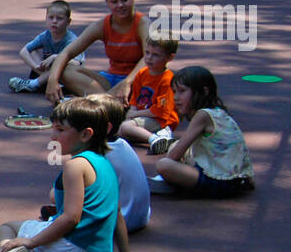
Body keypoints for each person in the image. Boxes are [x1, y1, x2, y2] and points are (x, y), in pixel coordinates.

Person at [0, 98, 158, 252]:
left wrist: (31, 241)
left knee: (6, 228)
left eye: (60, 130)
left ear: (86, 134)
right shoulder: (106, 163)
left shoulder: (75, 165)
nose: (53, 137)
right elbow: (117, 213)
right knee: (42, 226)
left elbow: (71, 218)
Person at [153, 66, 255, 198]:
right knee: (178, 147)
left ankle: (168, 182)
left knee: (164, 165)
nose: (176, 98)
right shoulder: (218, 112)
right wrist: (248, 178)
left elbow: (173, 156)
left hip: (220, 183)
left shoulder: (202, 115)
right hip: (235, 178)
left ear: (204, 91)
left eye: (182, 91)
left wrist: (169, 170)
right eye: (174, 92)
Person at [44, 0, 150, 103]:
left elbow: (149, 57)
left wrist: (127, 82)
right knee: (65, 70)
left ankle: (103, 104)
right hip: (110, 80)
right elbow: (66, 53)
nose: (120, 5)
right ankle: (109, 103)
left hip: (137, 80)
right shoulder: (102, 25)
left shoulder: (143, 24)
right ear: (107, 2)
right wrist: (52, 80)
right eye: (114, 1)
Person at [89, 94, 152, 233]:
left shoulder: (97, 154)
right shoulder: (123, 144)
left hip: (119, 223)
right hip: (141, 217)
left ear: (106, 128)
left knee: (58, 196)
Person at [117, 35, 179, 154]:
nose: (149, 58)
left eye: (155, 55)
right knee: (120, 131)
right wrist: (131, 112)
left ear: (170, 57)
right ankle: (160, 136)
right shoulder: (142, 73)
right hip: (142, 115)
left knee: (125, 128)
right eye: (147, 53)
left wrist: (135, 114)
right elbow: (135, 98)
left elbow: (161, 111)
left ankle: (155, 139)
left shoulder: (167, 79)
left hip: (160, 119)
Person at [9, 0, 81, 94]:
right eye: (51, 17)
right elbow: (24, 51)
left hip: (67, 76)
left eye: (59, 18)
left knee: (61, 62)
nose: (54, 21)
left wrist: (55, 57)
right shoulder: (45, 36)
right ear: (46, 18)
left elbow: (77, 64)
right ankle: (42, 80)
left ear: (68, 22)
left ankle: (34, 84)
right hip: (47, 73)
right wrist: (36, 67)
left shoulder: (71, 40)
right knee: (34, 50)